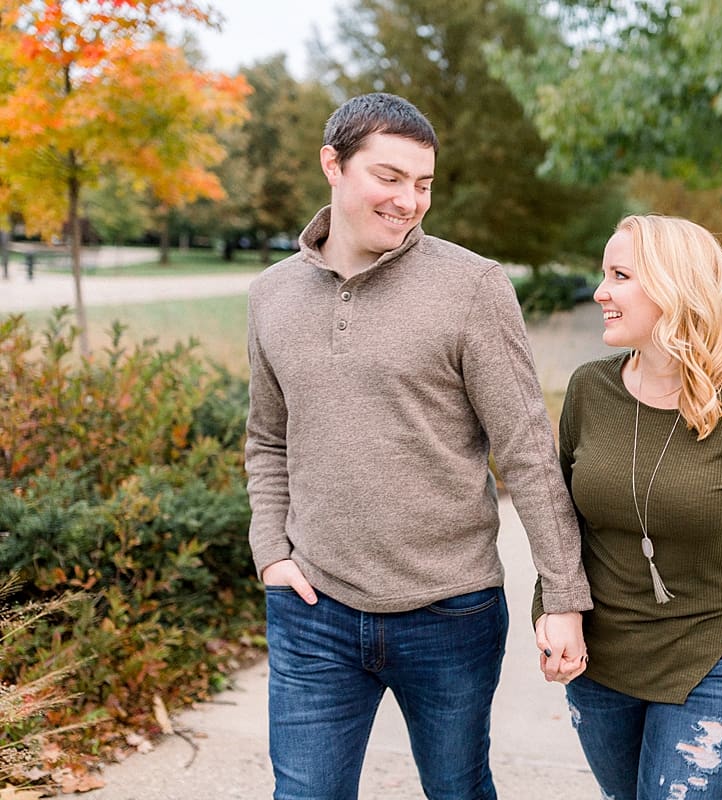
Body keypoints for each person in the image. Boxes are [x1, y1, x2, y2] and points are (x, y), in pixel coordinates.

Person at [244, 93, 591, 800]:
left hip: (450, 611)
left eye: (423, 184)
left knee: (459, 790)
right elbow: (266, 439)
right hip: (315, 611)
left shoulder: (471, 287)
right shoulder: (271, 296)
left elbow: (525, 448)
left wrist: (563, 594)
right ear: (332, 166)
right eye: (390, 177)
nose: (409, 201)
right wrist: (270, 554)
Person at [539, 214, 722, 800]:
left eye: (620, 276)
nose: (600, 292)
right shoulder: (590, 389)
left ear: (674, 286)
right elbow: (560, 515)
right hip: (600, 658)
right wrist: (551, 609)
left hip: (707, 655)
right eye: (603, 274)